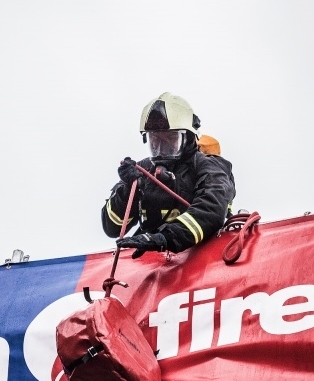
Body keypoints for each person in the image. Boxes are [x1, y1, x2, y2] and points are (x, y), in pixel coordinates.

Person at [101, 92, 236, 257]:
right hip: (152, 267)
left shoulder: (210, 167)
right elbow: (112, 227)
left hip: (204, 260)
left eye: (170, 138)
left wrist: (164, 239)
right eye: (155, 140)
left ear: (188, 137)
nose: (161, 148)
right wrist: (128, 190)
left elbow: (211, 210)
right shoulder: (142, 170)